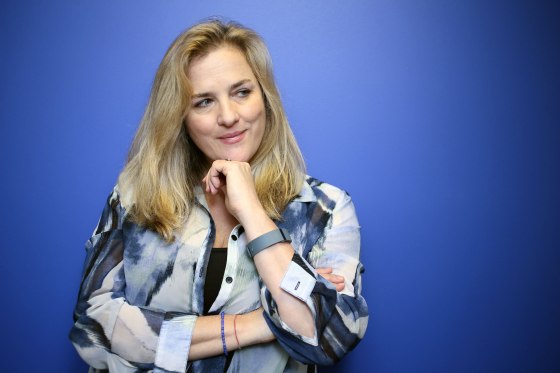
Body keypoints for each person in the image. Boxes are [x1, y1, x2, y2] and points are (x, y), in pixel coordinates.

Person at [70, 19, 368, 373]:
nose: (229, 116)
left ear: (265, 98)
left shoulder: (325, 209)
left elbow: (329, 337)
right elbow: (93, 330)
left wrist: (251, 211)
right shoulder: (135, 199)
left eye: (242, 92)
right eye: (203, 102)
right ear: (179, 116)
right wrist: (262, 323)